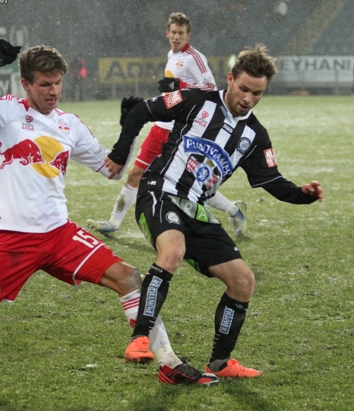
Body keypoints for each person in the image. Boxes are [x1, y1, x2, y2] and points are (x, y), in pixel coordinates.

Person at [0, 39, 217, 386]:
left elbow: (113, 170)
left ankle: (170, 364)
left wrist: (127, 133)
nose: (53, 91)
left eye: (57, 82)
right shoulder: (4, 112)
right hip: (11, 238)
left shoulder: (69, 125)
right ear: (25, 84)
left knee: (129, 278)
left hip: (58, 234)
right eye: (44, 84)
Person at [104, 45, 324, 380]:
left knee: (243, 280)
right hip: (160, 191)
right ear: (231, 79)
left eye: (258, 93)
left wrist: (303, 196)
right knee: (173, 250)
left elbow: (272, 181)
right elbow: (141, 112)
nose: (248, 98)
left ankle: (220, 363)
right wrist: (121, 152)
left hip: (197, 209)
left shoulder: (254, 136)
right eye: (244, 89)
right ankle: (139, 339)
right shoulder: (197, 100)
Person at [87, 12, 247, 237]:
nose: (176, 37)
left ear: (188, 35)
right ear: (167, 33)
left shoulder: (194, 57)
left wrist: (179, 84)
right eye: (173, 32)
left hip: (183, 129)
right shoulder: (171, 55)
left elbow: (211, 88)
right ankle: (114, 223)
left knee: (189, 183)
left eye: (181, 33)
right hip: (162, 125)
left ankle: (233, 209)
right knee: (136, 173)